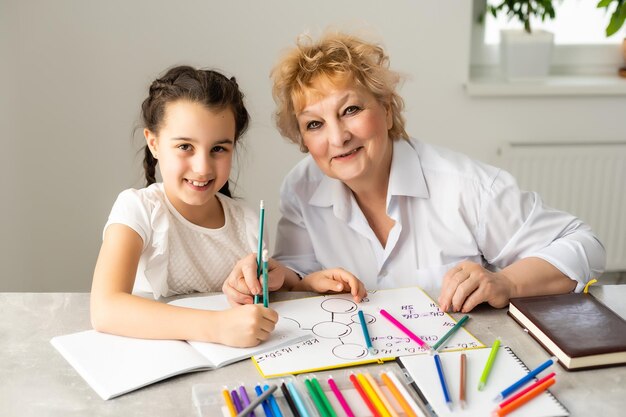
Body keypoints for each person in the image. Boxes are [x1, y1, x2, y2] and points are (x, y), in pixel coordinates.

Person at [225, 31, 606, 313]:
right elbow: (300, 274)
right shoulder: (301, 186)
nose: (337, 137)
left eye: (351, 110)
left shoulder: (464, 185)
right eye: (314, 125)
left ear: (387, 111)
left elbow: (583, 245)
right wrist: (277, 277)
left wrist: (504, 281)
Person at [91, 65, 282, 347]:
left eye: (219, 149)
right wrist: (216, 327)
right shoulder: (137, 209)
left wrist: (291, 280)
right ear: (154, 143)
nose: (202, 167)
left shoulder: (248, 222)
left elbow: (258, 300)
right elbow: (105, 309)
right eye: (185, 147)